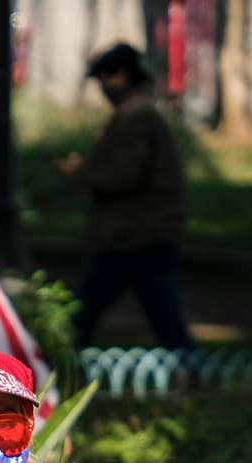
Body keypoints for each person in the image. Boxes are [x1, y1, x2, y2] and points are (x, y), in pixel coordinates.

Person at [57, 42, 196, 352]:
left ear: (120, 76)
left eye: (104, 78)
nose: (103, 88)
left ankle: (61, 374)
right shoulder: (140, 116)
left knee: (83, 317)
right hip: (141, 235)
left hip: (131, 238)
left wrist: (81, 172)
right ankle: (190, 367)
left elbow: (121, 176)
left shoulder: (136, 120)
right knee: (162, 315)